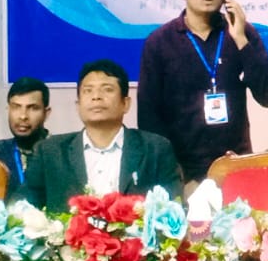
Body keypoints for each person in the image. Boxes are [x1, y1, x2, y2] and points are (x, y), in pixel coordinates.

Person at [138, 0, 268, 187]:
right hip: (181, 171)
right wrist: (173, 173)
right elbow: (149, 115)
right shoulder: (160, 42)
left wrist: (241, 40)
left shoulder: (242, 32)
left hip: (235, 165)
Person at [14, 59, 180, 211]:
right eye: (88, 91)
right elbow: (21, 210)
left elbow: (174, 208)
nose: (96, 97)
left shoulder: (155, 149)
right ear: (78, 105)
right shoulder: (50, 152)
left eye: (107, 89)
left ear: (125, 103)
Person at [0, 77, 51, 191]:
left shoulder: (60, 153)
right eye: (16, 107)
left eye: (32, 108)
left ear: (46, 113)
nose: (23, 116)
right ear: (8, 109)